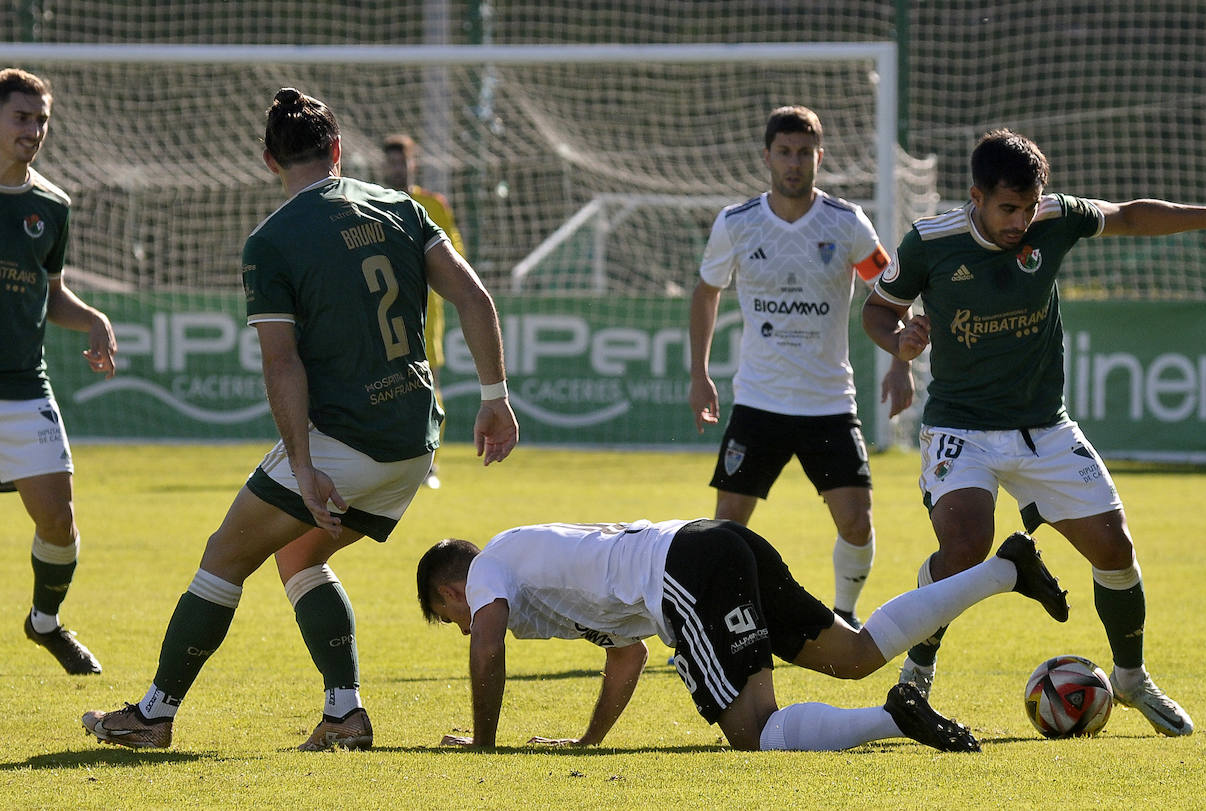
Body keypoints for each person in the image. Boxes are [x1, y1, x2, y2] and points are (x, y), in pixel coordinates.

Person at [80, 87, 518, 751]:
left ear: (267, 161)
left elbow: (281, 365)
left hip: (348, 440)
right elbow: (475, 296)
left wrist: (306, 469)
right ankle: (344, 714)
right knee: (298, 553)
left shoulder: (272, 240)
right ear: (338, 149)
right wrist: (495, 395)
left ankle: (153, 712)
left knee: (224, 555)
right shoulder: (401, 207)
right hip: (413, 442)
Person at [862, 128, 1206, 737]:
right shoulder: (932, 241)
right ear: (976, 196)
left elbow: (1130, 216)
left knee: (1116, 549)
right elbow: (879, 308)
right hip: (962, 426)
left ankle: (1132, 678)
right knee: (965, 547)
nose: (1022, 221)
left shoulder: (1052, 220)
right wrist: (897, 346)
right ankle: (916, 673)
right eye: (1009, 208)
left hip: (1044, 428)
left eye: (1031, 206)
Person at [416, 519, 1070, 752]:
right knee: (858, 653)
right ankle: (1005, 568)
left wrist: (484, 740)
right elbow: (628, 653)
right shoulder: (542, 570)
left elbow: (487, 643)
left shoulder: (488, 567)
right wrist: (588, 740)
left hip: (688, 569)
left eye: (451, 617)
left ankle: (897, 720)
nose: (463, 621)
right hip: (717, 543)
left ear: (451, 591)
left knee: (755, 731)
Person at [689, 105, 915, 630]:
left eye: (805, 153)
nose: (795, 162)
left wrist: (900, 361)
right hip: (759, 402)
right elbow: (707, 292)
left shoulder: (846, 224)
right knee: (726, 527)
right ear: (767, 156)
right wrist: (700, 374)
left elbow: (889, 290)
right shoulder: (737, 223)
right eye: (785, 152)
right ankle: (711, 622)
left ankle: (844, 615)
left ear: (820, 157)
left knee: (857, 522)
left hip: (828, 403)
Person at [1, 67, 116, 676]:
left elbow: (53, 293)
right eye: (22, 117)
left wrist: (92, 318)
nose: (34, 130)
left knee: (59, 520)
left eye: (41, 120)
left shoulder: (51, 205)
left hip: (23, 386)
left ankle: (44, 620)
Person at [381, 133, 465, 489]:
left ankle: (428, 464)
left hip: (423, 315)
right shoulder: (369, 203)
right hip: (379, 312)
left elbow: (456, 258)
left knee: (427, 390)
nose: (395, 167)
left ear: (412, 164)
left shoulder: (434, 206)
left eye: (401, 161)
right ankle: (385, 462)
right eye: (389, 161)